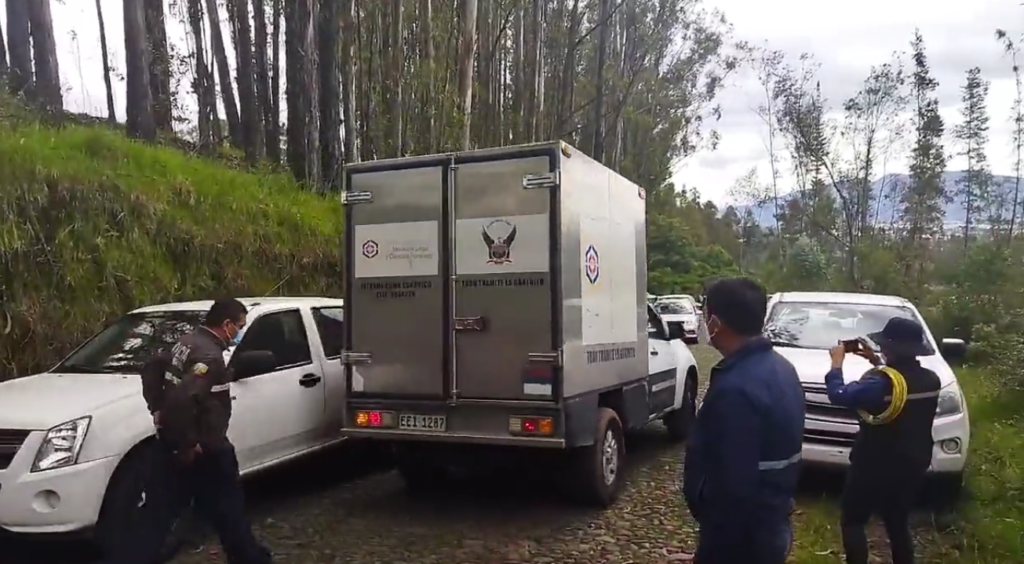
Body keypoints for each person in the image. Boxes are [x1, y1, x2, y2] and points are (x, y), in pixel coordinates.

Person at [103, 298, 272, 564]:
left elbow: (151, 368)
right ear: (226, 324)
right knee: (228, 510)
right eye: (239, 327)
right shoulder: (209, 356)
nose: (238, 333)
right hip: (204, 449)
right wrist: (187, 444)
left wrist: (157, 407)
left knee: (157, 515)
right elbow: (184, 399)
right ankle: (250, 558)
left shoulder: (185, 342)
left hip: (176, 446)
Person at [683, 277, 805, 564]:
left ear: (715, 321)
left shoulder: (736, 389)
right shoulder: (782, 368)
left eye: (704, 313)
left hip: (743, 541)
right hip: (771, 524)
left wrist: (710, 554)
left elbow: (734, 490)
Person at [825, 317, 941, 564]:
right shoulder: (931, 380)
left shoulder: (879, 383)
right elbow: (901, 384)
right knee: (897, 520)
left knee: (854, 519)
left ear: (888, 348)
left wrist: (836, 365)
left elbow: (840, 395)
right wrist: (875, 361)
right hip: (913, 462)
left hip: (874, 464)